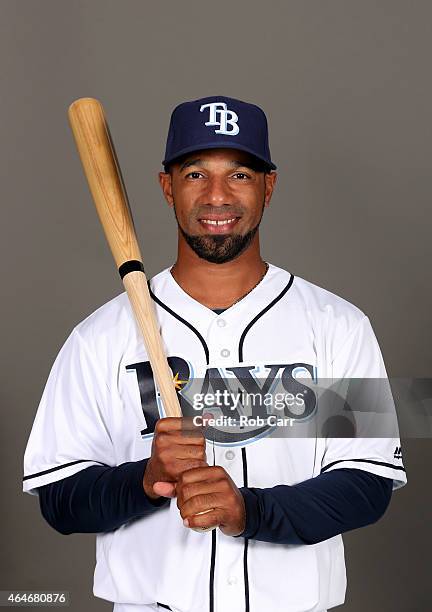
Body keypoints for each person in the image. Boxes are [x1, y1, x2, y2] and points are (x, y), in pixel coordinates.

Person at [23, 96, 407, 612]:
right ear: (168, 187)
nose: (217, 196)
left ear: (269, 186)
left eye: (241, 175)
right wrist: (144, 479)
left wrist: (249, 510)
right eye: (196, 174)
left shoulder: (336, 326)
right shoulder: (100, 338)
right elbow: (60, 500)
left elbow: (366, 484)